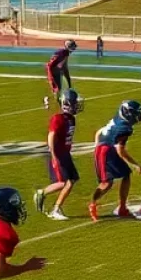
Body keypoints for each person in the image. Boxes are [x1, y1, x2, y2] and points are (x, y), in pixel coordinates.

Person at [89, 99, 141, 221]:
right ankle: (92, 203)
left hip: (106, 148)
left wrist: (97, 145)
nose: (138, 116)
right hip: (106, 151)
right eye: (136, 113)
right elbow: (120, 150)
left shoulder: (119, 120)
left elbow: (100, 132)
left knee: (126, 175)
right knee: (106, 183)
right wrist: (135, 164)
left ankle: (122, 208)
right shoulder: (124, 128)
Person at [34, 88, 83, 221]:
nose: (77, 105)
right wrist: (54, 155)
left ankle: (44, 195)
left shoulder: (71, 119)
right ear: (67, 104)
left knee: (71, 180)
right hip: (58, 154)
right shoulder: (58, 119)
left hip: (65, 154)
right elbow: (51, 136)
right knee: (65, 182)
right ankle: (55, 208)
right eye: (74, 103)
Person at [44, 39, 76, 107]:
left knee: (59, 91)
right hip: (51, 72)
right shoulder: (59, 53)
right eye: (73, 47)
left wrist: (69, 81)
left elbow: (65, 67)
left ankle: (48, 99)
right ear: (68, 46)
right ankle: (60, 106)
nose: (74, 49)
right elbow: (49, 66)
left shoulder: (66, 54)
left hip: (57, 71)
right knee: (57, 90)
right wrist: (51, 78)